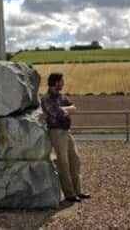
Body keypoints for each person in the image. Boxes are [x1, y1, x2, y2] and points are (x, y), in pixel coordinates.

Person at [41, 72, 91, 203]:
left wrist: (64, 109)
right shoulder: (46, 98)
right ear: (56, 82)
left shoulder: (62, 97)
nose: (63, 84)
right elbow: (56, 112)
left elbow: (74, 108)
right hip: (56, 132)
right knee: (63, 162)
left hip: (66, 132)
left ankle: (78, 191)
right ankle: (69, 194)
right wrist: (66, 109)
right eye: (62, 81)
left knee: (75, 159)